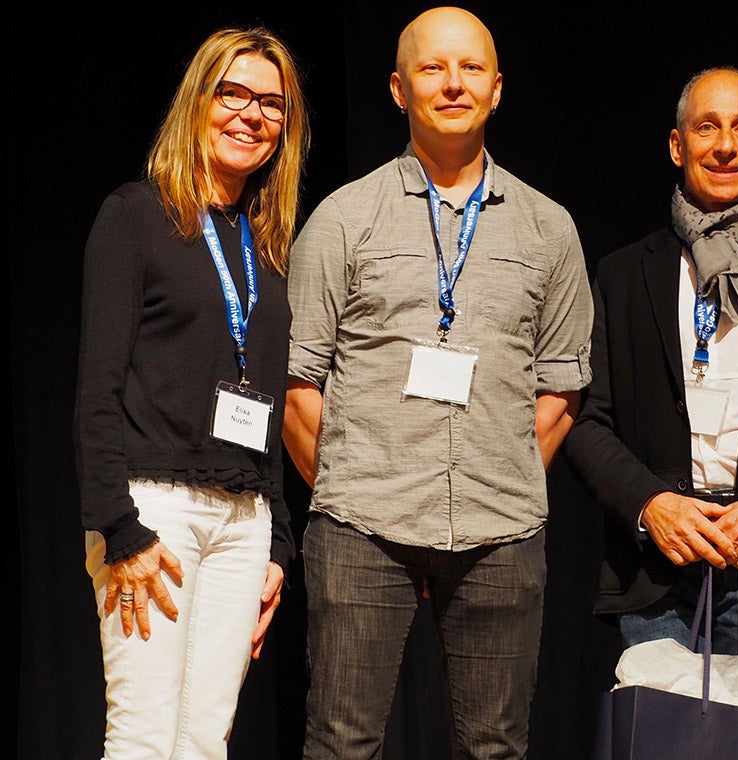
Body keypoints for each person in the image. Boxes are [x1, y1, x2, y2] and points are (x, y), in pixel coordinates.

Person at [282, 7, 593, 758]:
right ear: (398, 89)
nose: (452, 84)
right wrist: (369, 492)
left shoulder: (549, 229)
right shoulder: (342, 218)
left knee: (496, 747)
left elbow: (559, 395)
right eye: (431, 68)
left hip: (502, 533)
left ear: (496, 88)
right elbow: (298, 388)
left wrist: (489, 484)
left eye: (471, 69)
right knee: (340, 745)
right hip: (361, 529)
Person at [73, 26, 310, 759]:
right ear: (197, 102)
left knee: (206, 742)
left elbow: (264, 408)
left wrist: (276, 542)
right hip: (151, 514)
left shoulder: (265, 246)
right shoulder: (136, 216)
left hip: (242, 525)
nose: (251, 115)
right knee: (144, 740)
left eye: (271, 104)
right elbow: (96, 391)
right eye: (232, 93)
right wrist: (120, 528)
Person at [561, 66, 738, 663]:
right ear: (676, 145)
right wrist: (650, 505)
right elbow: (586, 421)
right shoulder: (622, 274)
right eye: (706, 127)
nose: (724, 146)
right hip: (658, 571)